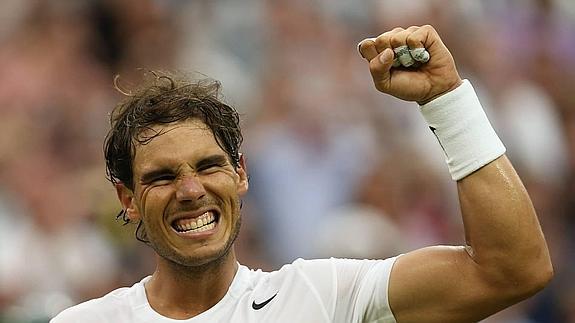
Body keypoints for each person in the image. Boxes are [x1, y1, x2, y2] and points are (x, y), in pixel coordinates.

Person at [51, 25, 552, 323]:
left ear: (241, 173)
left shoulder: (322, 296)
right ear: (127, 198)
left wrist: (447, 100)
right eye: (162, 177)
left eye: (209, 166)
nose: (190, 190)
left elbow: (511, 269)